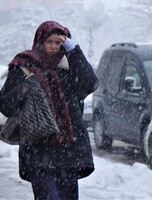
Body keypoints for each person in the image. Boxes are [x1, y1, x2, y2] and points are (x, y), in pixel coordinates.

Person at [0, 20, 99, 200]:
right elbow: (6, 105)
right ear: (40, 42)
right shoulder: (24, 65)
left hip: (68, 149)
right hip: (38, 148)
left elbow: (90, 83)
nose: (54, 47)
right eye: (49, 42)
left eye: (58, 42)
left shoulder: (69, 65)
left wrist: (73, 50)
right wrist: (24, 88)